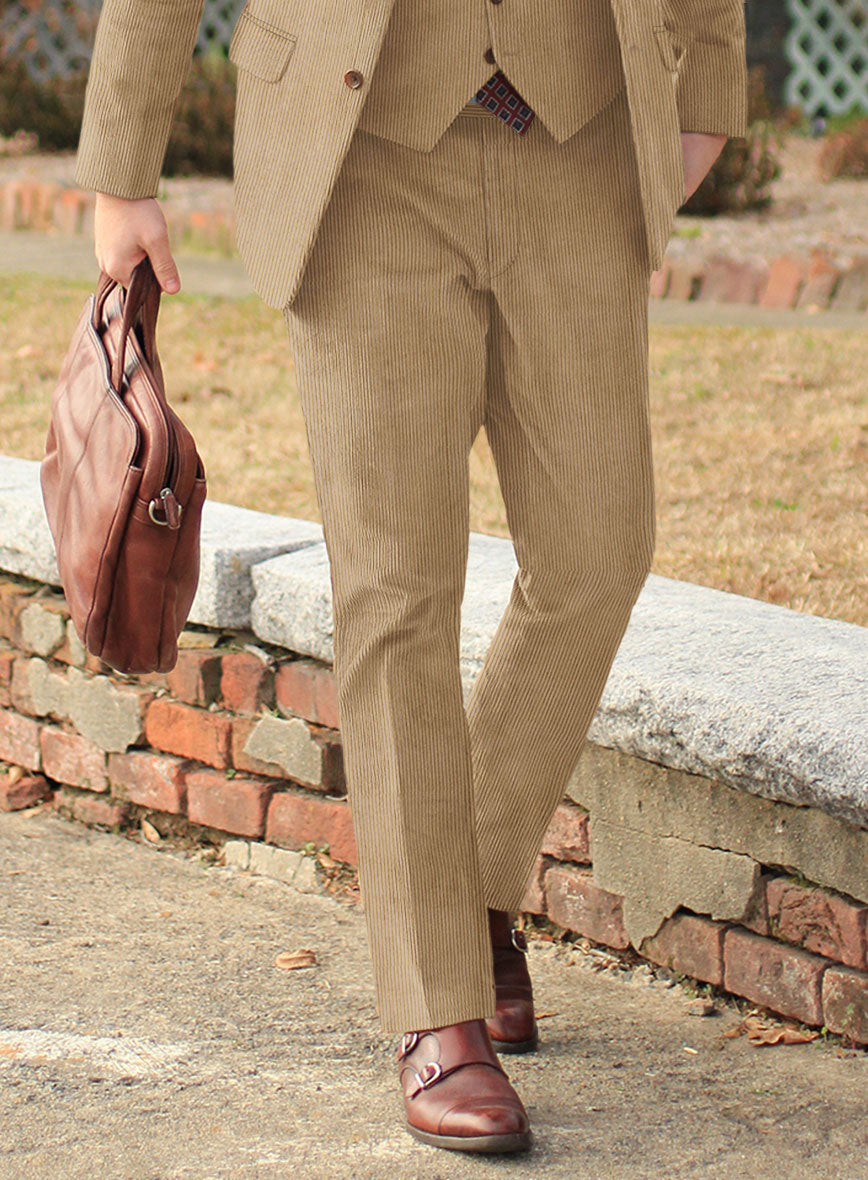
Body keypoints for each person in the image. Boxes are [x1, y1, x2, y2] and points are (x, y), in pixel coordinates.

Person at [75, 0, 747, 1156]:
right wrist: (121, 168)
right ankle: (439, 1008)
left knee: (599, 550)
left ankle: (473, 886)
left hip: (578, 141)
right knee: (394, 590)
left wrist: (707, 91)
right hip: (358, 160)